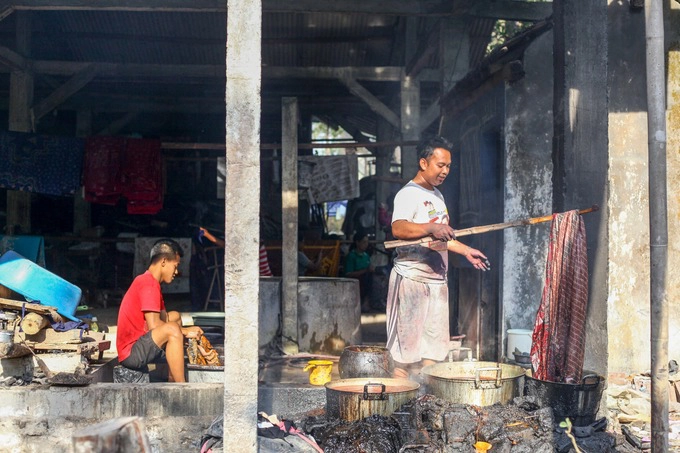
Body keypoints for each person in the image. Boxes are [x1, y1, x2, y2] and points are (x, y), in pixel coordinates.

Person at [387, 136, 490, 380]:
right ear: (424, 163)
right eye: (440, 165)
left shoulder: (437, 196)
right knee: (406, 351)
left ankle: (424, 397)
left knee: (432, 348)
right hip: (412, 280)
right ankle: (400, 403)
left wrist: (465, 250)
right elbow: (398, 229)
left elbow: (441, 235)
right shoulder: (408, 194)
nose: (445, 171)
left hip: (436, 283)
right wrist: (430, 228)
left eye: (448, 166)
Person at [116, 238, 204, 382]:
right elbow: (155, 325)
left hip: (141, 344)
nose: (176, 272)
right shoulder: (148, 283)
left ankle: (171, 377)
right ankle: (182, 386)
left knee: (174, 317)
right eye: (175, 266)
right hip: (131, 354)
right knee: (173, 329)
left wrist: (184, 330)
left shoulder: (151, 283)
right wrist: (186, 331)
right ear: (163, 262)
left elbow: (165, 319)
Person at [199, 227, 273, 277]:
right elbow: (226, 245)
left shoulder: (256, 246)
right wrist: (207, 234)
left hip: (262, 280)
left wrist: (207, 234)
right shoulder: (254, 245)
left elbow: (226, 245)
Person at [344, 230, 376, 312]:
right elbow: (348, 274)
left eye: (367, 242)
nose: (366, 244)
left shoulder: (366, 256)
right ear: (357, 243)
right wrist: (365, 271)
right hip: (356, 281)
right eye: (364, 242)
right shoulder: (351, 256)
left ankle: (369, 302)